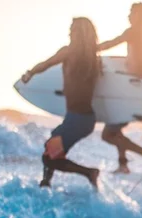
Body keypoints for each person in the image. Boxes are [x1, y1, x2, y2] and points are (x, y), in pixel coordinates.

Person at [21, 17, 102, 188]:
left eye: (72, 29)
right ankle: (45, 184)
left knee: (48, 157)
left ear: (78, 33)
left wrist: (30, 74)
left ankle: (89, 173)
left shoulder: (69, 52)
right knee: (50, 150)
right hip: (83, 119)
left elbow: (47, 64)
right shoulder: (94, 59)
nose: (69, 32)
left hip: (77, 119)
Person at [96, 2, 142, 175]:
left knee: (108, 135)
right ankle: (123, 165)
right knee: (114, 130)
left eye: (132, 12)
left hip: (131, 91)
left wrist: (89, 49)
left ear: (140, 16)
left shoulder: (134, 31)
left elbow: (111, 43)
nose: (128, 16)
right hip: (140, 91)